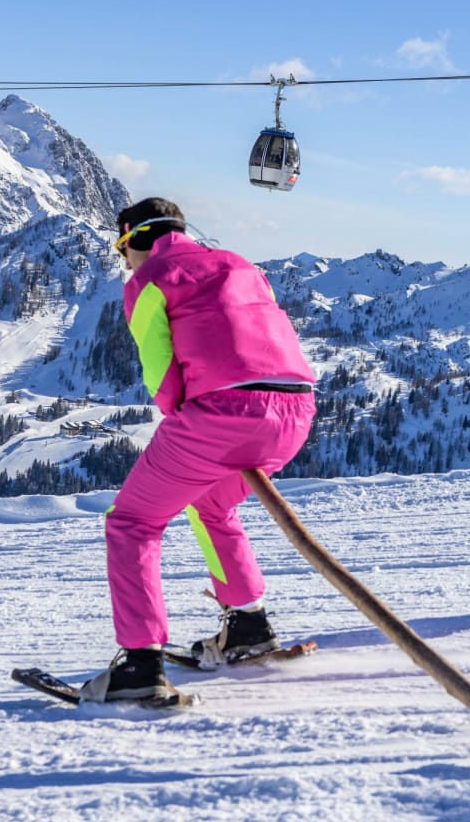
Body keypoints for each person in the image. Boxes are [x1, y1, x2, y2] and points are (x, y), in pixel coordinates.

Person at [83, 198, 318, 703]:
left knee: (132, 522)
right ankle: (249, 625)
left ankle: (140, 666)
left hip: (221, 414)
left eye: (122, 250)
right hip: (296, 412)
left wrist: (187, 419)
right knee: (210, 503)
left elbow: (162, 377)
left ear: (134, 239)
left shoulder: (149, 279)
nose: (124, 262)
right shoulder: (241, 265)